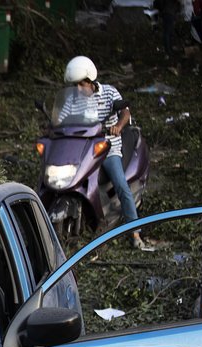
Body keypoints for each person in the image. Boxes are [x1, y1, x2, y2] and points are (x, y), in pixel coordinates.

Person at [61, 56, 143, 249]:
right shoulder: (73, 99)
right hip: (82, 151)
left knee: (122, 186)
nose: (79, 89)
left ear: (90, 80)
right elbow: (62, 119)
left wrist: (118, 126)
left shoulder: (109, 92)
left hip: (107, 148)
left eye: (81, 84)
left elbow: (125, 112)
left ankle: (136, 233)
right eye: (76, 85)